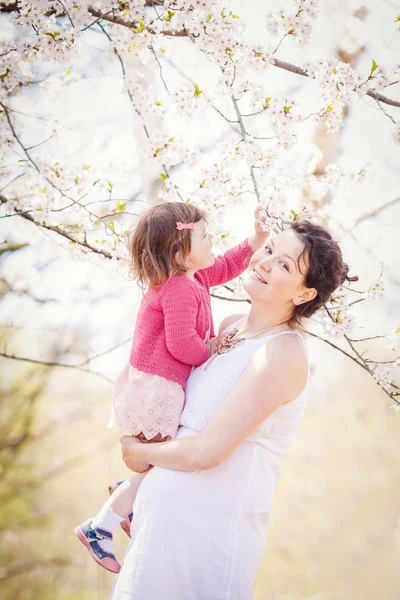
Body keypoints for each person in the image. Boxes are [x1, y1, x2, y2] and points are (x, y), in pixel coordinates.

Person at [110, 219, 357, 599]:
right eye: (271, 249)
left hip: (204, 547)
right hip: (156, 537)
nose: (264, 261)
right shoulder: (227, 327)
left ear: (305, 294)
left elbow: (210, 450)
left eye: (285, 265)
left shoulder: (282, 353)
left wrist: (138, 453)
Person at [74, 201, 269, 573]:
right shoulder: (179, 289)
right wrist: (209, 349)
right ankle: (99, 526)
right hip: (156, 388)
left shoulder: (190, 278)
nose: (213, 241)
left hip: (157, 383)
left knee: (155, 464)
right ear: (180, 253)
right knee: (157, 468)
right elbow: (182, 344)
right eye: (205, 236)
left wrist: (256, 239)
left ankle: (124, 496)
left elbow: (226, 265)